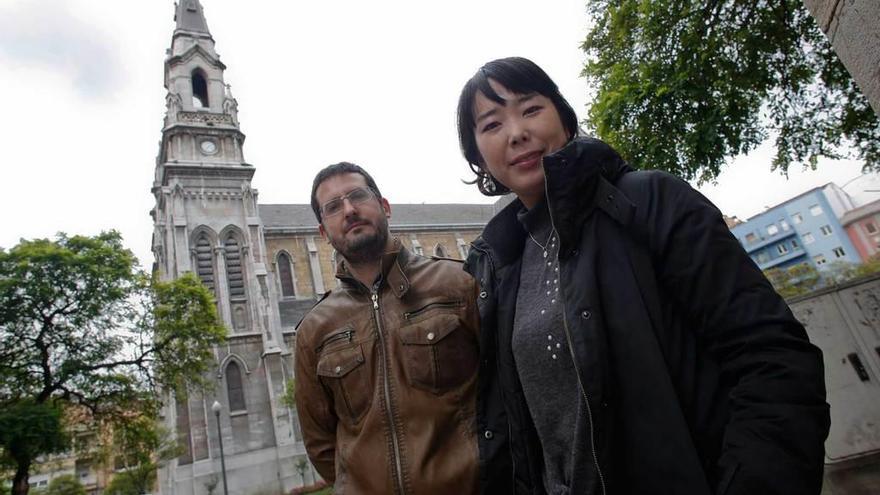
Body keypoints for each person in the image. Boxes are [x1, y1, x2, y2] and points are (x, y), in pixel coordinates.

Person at [456, 57, 830, 495]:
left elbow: (772, 359)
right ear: (477, 154)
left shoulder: (648, 203)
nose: (517, 132)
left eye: (531, 109)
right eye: (492, 124)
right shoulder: (496, 267)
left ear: (563, 115)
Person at [294, 162, 480, 494]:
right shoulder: (314, 329)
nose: (349, 210)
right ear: (323, 233)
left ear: (385, 207)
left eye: (358, 196)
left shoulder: (460, 284)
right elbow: (321, 444)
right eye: (333, 207)